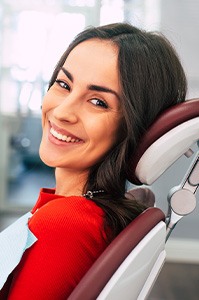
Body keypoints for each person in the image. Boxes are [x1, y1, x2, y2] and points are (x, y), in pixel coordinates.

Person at [0, 22, 187, 299]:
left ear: (135, 127)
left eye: (98, 102)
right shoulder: (87, 213)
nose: (63, 111)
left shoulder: (65, 224)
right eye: (63, 84)